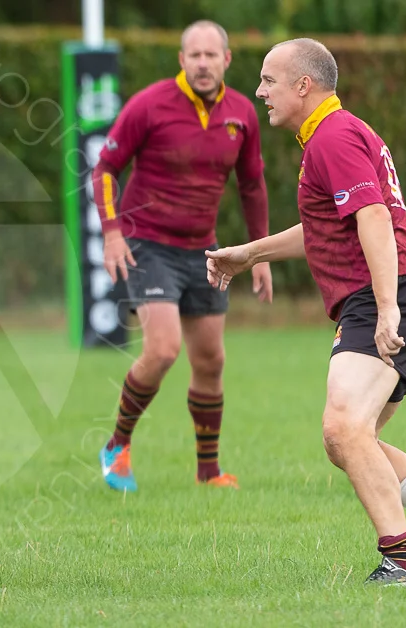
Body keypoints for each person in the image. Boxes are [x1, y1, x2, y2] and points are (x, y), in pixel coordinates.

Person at [205, 38, 406, 586]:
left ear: (303, 86)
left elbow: (372, 218)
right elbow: (324, 228)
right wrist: (249, 254)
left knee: (343, 428)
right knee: (353, 439)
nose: (260, 91)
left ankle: (403, 563)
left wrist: (387, 307)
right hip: (398, 294)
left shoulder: (333, 137)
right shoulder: (332, 135)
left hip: (387, 296)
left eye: (269, 80)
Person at [91, 20, 272, 492]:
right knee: (164, 348)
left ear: (227, 60)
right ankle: (117, 447)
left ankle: (208, 472)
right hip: (147, 243)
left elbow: (252, 185)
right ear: (181, 59)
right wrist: (112, 233)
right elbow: (105, 168)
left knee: (211, 360)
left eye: (212, 55)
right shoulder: (149, 105)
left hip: (204, 251)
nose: (203, 63)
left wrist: (260, 253)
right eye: (194, 55)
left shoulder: (242, 114)